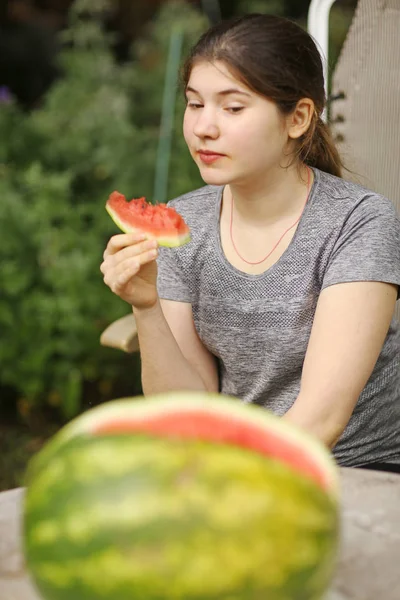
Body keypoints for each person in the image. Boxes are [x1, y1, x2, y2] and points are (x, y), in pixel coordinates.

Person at [100, 14, 400, 472]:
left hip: (355, 470)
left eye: (232, 108)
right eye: (195, 104)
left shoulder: (359, 223)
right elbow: (190, 410)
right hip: (236, 462)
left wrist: (229, 487)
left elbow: (321, 420)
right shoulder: (189, 223)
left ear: (297, 118)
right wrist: (146, 307)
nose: (204, 127)